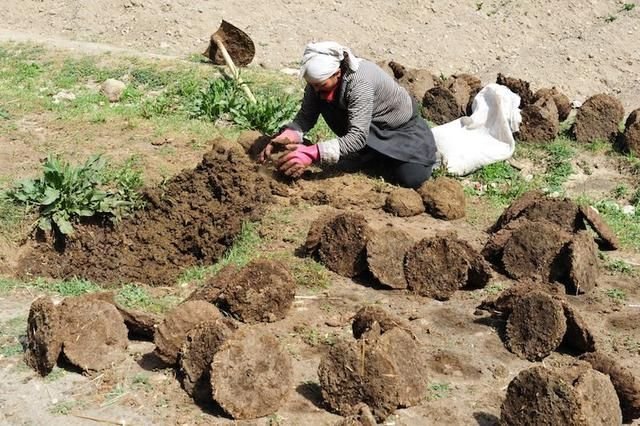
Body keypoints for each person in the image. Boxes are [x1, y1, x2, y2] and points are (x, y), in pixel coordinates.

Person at [259, 41, 438, 189]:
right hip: (364, 126)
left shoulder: (360, 82)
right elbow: (305, 118)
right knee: (325, 104)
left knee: (412, 178)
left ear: (337, 73)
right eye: (312, 86)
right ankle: (369, 155)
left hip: (398, 131)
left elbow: (358, 136)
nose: (316, 90)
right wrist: (288, 135)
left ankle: (377, 156)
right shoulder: (319, 83)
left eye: (321, 86)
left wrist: (313, 153)